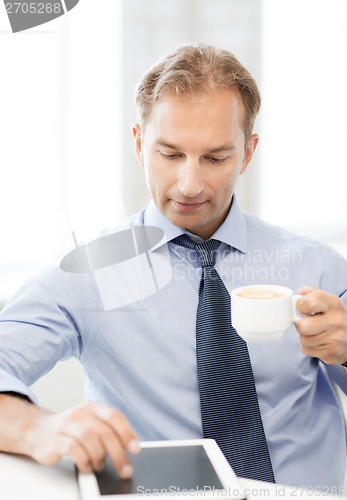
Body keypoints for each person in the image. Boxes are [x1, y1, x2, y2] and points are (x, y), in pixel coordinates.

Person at [0, 44, 347, 491]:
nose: (189, 184)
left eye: (216, 157)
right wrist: (36, 429)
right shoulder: (87, 274)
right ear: (140, 145)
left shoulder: (317, 267)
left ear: (247, 153)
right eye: (170, 154)